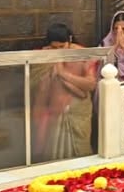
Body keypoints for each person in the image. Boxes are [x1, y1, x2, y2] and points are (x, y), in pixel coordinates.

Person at [30, 23, 97, 161]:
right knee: (53, 156)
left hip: (78, 112)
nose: (58, 51)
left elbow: (90, 84)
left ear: (69, 40)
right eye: (54, 48)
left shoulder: (82, 54)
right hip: (54, 112)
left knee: (80, 154)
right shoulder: (43, 57)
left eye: (62, 46)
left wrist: (63, 74)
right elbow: (37, 88)